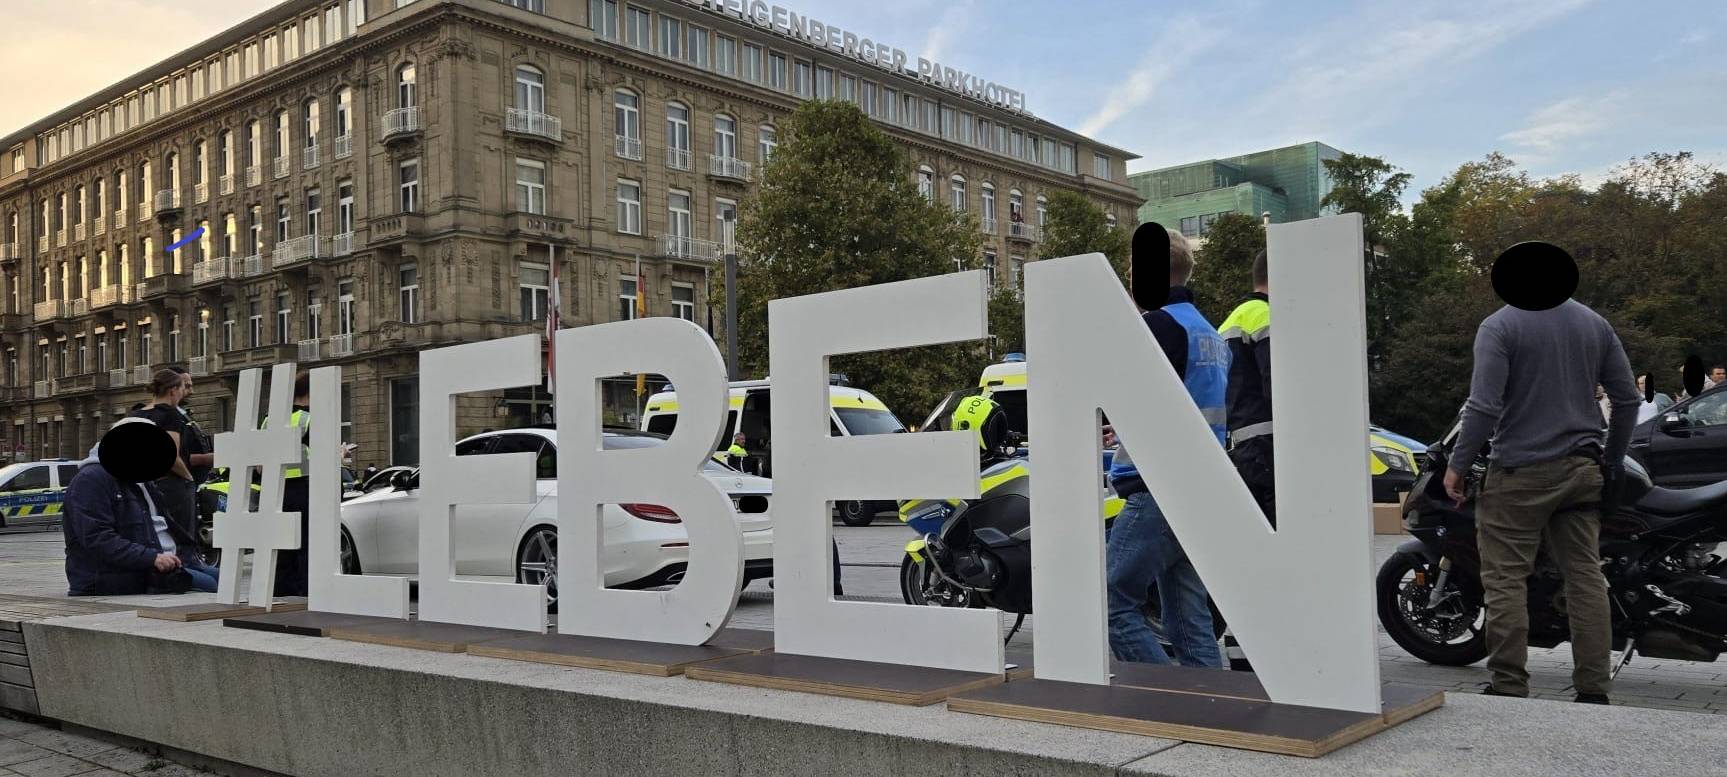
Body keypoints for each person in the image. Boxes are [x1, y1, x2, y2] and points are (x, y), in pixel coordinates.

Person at [1446, 279, 1637, 704]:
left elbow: (1483, 405)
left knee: (1505, 579)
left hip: (1519, 472)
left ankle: (1509, 685)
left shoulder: (1500, 327)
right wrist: (1612, 459)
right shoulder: (1594, 324)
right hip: (1582, 470)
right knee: (1585, 576)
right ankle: (1593, 690)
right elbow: (1627, 400)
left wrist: (1458, 466)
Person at [1104, 228, 1229, 668]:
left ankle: (1165, 694)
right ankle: (1211, 705)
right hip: (1202, 487)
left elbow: (1139, 395)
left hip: (1157, 488)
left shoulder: (1160, 324)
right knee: (1187, 618)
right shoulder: (1210, 332)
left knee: (1112, 602)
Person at [64, 418, 220, 595]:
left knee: (226, 578)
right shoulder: (91, 480)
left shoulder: (141, 480)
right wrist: (152, 558)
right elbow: (97, 538)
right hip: (115, 576)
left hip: (162, 563)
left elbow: (164, 527)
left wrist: (183, 555)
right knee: (211, 586)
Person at [1219, 250, 1274, 527]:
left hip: (1242, 444)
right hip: (1269, 444)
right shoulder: (1267, 316)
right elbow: (1276, 386)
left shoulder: (1231, 320)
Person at [129, 370, 205, 559]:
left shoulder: (137, 414)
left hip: (144, 485)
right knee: (182, 536)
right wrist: (188, 478)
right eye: (181, 388)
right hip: (171, 485)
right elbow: (171, 455)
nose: (183, 393)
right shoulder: (169, 415)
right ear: (172, 391)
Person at [267, 371, 314, 597]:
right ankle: (305, 589)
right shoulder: (309, 419)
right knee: (305, 541)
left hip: (275, 488)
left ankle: (279, 588)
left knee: (281, 540)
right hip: (303, 486)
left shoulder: (271, 419)